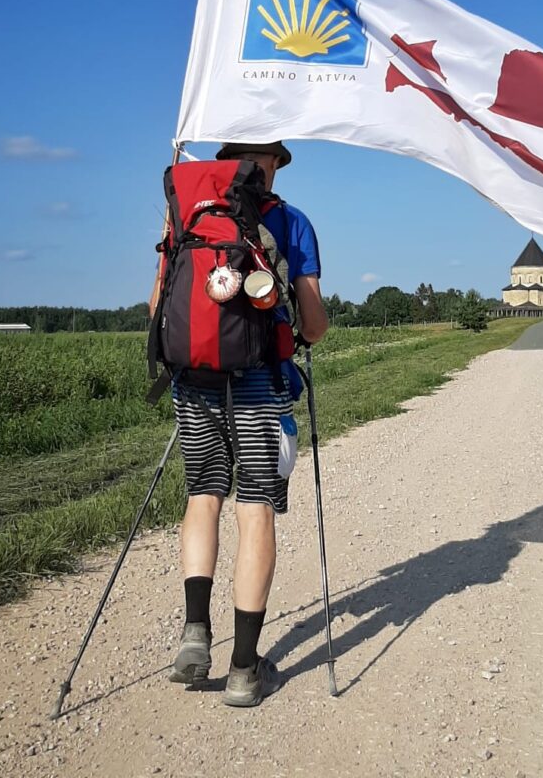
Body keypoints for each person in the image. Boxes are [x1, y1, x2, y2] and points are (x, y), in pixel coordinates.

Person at [168, 140, 328, 707]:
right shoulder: (291, 221)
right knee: (255, 507)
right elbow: (314, 321)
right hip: (261, 385)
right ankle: (242, 669)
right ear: (273, 163)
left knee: (203, 496)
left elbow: (156, 306)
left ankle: (194, 631)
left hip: (196, 380)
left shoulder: (189, 211)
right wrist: (297, 335)